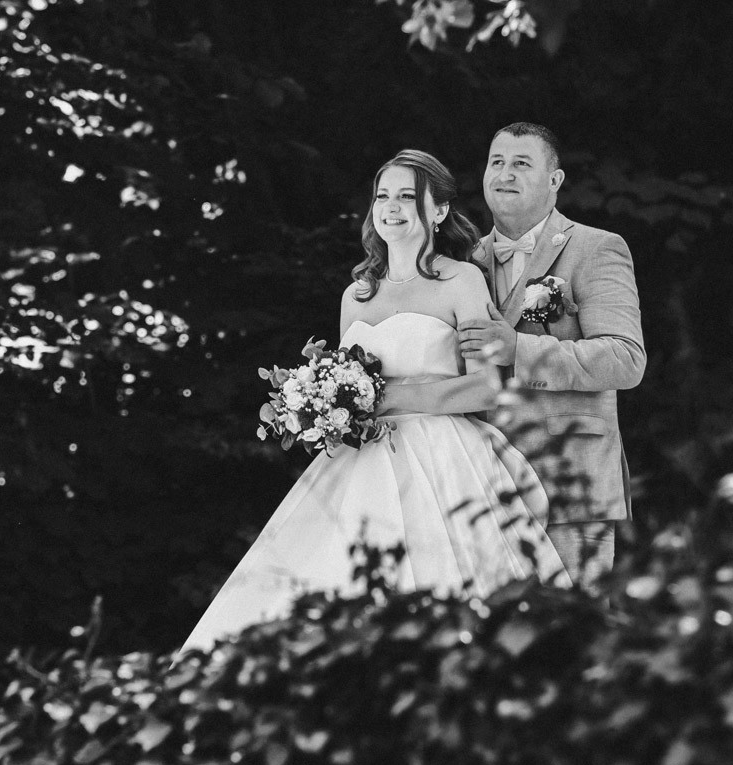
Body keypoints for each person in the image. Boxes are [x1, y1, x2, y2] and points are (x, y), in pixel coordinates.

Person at [181, 151, 564, 653]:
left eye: (407, 196)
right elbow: (348, 376)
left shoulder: (462, 280)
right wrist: (324, 406)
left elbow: (487, 387)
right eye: (383, 196)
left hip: (441, 452)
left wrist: (389, 397)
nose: (391, 207)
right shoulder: (357, 294)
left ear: (439, 211)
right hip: (362, 457)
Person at [459, 122, 645, 584]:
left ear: (555, 180)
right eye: (497, 162)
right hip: (481, 485)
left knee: (574, 622)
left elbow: (624, 358)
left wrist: (519, 348)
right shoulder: (462, 263)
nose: (505, 174)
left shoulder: (596, 248)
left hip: (571, 483)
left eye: (522, 164)